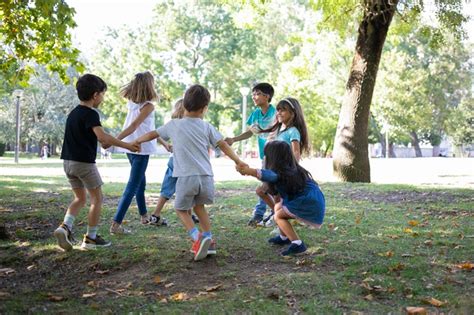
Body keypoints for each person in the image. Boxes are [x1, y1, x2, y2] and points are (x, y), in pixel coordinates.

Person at [135, 84, 246, 261]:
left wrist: (138, 140)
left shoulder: (174, 125)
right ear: (205, 109)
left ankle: (197, 238)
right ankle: (209, 239)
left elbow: (153, 134)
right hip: (206, 178)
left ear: (184, 105)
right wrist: (238, 161)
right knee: (199, 207)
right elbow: (223, 144)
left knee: (180, 208)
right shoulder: (207, 126)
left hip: (186, 177)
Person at [53, 74, 140, 251]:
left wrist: (106, 141)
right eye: (102, 94)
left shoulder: (73, 113)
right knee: (97, 198)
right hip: (84, 164)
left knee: (79, 198)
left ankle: (65, 227)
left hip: (68, 163)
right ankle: (90, 238)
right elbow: (102, 136)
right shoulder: (91, 114)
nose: (103, 97)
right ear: (95, 95)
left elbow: (98, 138)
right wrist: (127, 145)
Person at [236, 141, 325, 256]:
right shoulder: (291, 170)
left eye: (266, 155)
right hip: (311, 200)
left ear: (273, 158)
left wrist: (249, 171)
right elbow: (276, 198)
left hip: (307, 202)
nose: (265, 158)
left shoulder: (281, 173)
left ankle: (298, 244)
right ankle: (284, 237)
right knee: (278, 208)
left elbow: (269, 175)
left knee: (278, 216)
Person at [107, 71, 166, 235]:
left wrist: (164, 143)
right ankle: (116, 223)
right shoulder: (148, 106)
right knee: (133, 185)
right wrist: (112, 140)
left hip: (130, 147)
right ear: (149, 86)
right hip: (140, 147)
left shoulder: (132, 104)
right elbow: (134, 127)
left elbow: (150, 129)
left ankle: (143, 215)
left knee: (141, 182)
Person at [224, 82, 276, 226]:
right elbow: (250, 132)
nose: (254, 96)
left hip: (277, 156)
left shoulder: (276, 112)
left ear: (267, 96)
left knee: (266, 185)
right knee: (267, 184)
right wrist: (234, 139)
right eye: (253, 94)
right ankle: (273, 212)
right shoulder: (256, 114)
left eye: (257, 93)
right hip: (264, 156)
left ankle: (261, 214)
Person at [257, 97, 310, 227]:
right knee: (265, 193)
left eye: (283, 110)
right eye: (278, 110)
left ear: (292, 113)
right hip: (273, 168)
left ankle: (280, 219)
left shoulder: (293, 131)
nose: (279, 113)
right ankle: (277, 215)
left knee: (267, 193)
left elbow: (296, 152)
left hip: (283, 171)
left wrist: (294, 169)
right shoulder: (279, 130)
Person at [147, 99, 199, 227]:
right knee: (188, 187)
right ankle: (188, 214)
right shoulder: (192, 125)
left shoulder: (174, 124)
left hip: (173, 160)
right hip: (184, 162)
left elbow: (157, 134)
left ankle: (156, 214)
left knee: (167, 188)